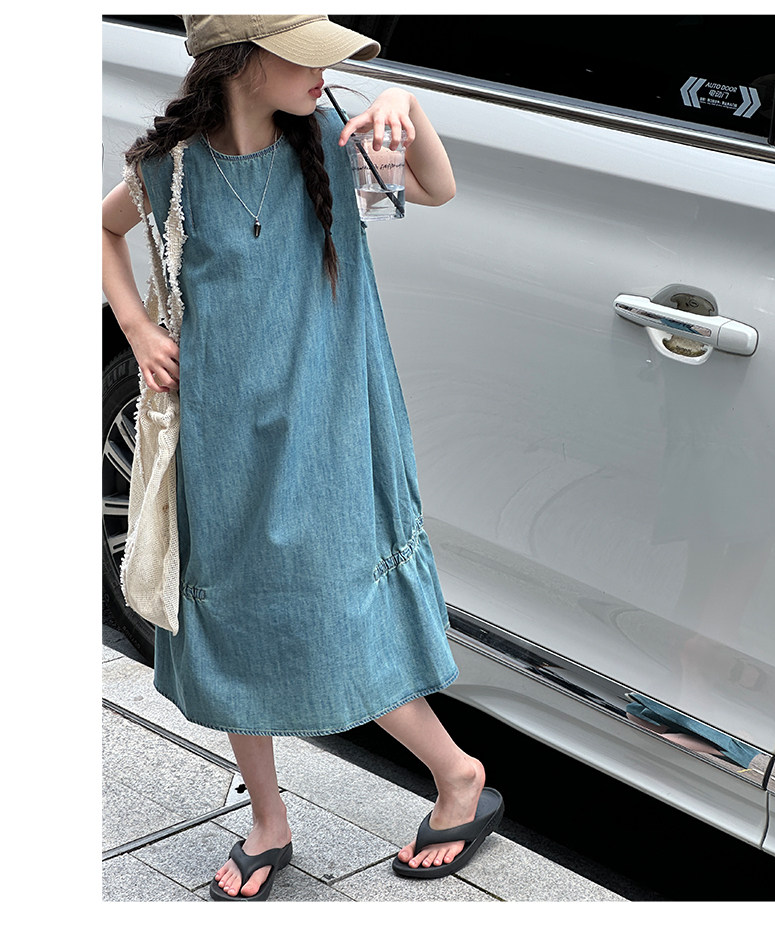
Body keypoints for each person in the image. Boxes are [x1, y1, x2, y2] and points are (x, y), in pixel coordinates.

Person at [102, 14, 503, 901]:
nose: (327, 71)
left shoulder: (332, 137)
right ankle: (268, 820)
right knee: (231, 622)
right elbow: (101, 231)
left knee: (337, 612)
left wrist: (405, 106)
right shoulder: (170, 167)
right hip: (222, 441)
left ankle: (458, 774)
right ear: (242, 62)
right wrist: (136, 326)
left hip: (329, 434)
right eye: (306, 55)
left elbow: (436, 189)